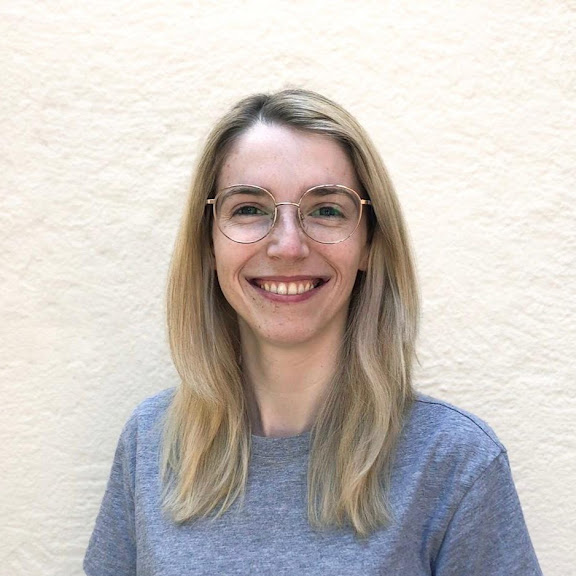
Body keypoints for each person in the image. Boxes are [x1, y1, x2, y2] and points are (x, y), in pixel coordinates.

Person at [84, 89, 542, 575]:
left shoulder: (455, 464)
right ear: (209, 243)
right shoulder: (151, 443)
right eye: (248, 208)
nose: (287, 245)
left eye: (326, 209)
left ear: (370, 244)